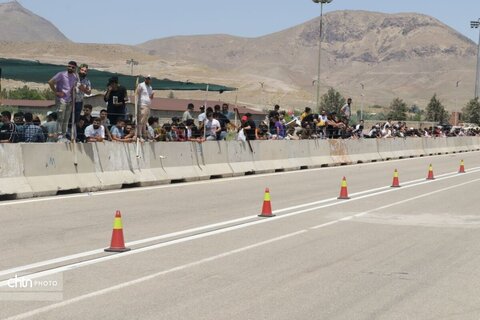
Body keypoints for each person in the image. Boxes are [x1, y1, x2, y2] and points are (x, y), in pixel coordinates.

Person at [48, 60, 78, 136]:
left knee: (66, 118)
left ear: (75, 68)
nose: (70, 68)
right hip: (61, 99)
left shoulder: (75, 76)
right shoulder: (61, 74)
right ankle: (58, 133)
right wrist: (56, 92)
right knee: (60, 117)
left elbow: (72, 88)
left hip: (69, 100)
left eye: (73, 67)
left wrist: (73, 98)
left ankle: (63, 134)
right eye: (69, 66)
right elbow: (50, 82)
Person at [73, 64, 92, 129]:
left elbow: (89, 92)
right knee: (68, 117)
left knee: (76, 118)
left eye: (85, 71)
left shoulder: (87, 81)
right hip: (70, 100)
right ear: (79, 70)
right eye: (82, 70)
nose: (83, 72)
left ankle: (74, 135)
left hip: (79, 101)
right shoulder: (73, 77)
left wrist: (83, 88)